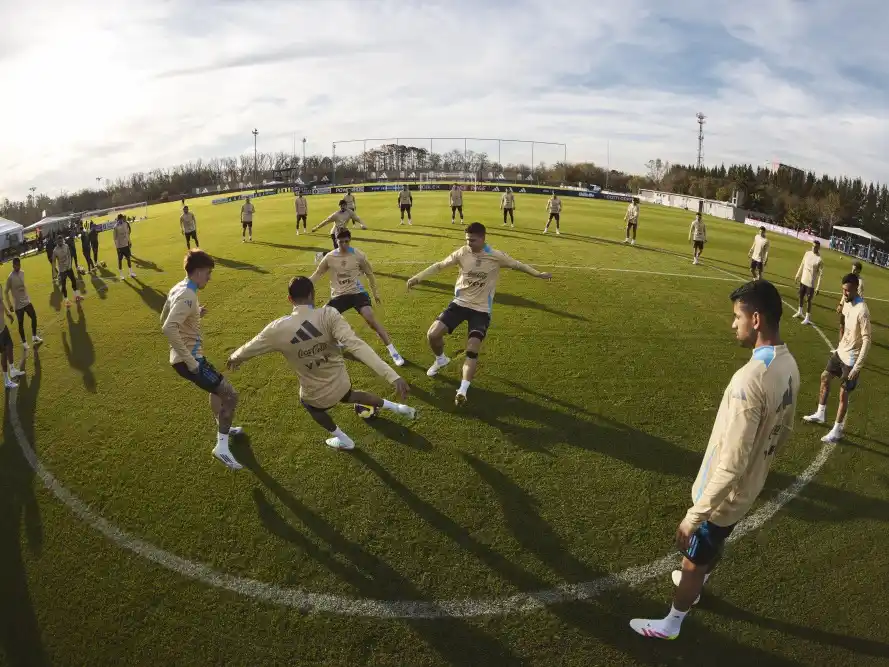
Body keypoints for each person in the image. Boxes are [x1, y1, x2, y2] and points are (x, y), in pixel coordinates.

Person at [630, 280, 799, 640]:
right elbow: (786, 430)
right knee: (714, 545)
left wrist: (695, 515)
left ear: (755, 319)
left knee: (693, 559)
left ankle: (672, 622)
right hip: (748, 490)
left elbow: (732, 463)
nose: (732, 324)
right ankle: (700, 579)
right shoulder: (790, 365)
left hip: (724, 497)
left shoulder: (749, 381)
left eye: (736, 316)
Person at [226, 276, 415, 451]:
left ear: (289, 299)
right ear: (312, 294)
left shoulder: (276, 329)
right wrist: (393, 376)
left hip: (315, 394)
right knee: (350, 395)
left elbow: (252, 346)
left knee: (309, 405)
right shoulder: (329, 315)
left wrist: (235, 357)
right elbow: (357, 346)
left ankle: (343, 439)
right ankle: (398, 408)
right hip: (341, 383)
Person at [407, 222, 552, 405]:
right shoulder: (462, 252)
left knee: (472, 350)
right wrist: (417, 277)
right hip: (459, 304)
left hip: (481, 310)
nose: (469, 243)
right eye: (467, 239)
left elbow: (518, 265)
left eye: (473, 240)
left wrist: (537, 274)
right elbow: (439, 266)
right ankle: (441, 359)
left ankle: (463, 390)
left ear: (483, 239)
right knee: (432, 335)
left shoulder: (495, 256)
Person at [161, 250, 242, 470]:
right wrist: (192, 362)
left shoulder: (180, 287)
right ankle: (222, 447)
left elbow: (164, 315)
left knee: (216, 389)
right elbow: (168, 326)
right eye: (207, 273)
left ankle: (222, 425)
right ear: (197, 272)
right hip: (190, 360)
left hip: (185, 357)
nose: (209, 277)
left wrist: (196, 312)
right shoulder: (188, 295)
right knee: (231, 396)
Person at [309, 228, 404, 367]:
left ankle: (393, 351)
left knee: (371, 319)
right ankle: (337, 343)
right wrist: (304, 285)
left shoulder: (359, 255)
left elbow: (369, 274)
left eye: (346, 241)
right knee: (323, 318)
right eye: (340, 242)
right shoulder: (329, 257)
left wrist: (375, 293)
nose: (344, 245)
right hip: (339, 295)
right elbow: (318, 274)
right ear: (336, 241)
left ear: (350, 240)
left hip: (357, 293)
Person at [803, 273, 871, 443]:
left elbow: (867, 340)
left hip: (851, 360)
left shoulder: (862, 311)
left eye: (847, 291)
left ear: (856, 289)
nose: (844, 293)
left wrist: (857, 367)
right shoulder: (847, 302)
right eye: (843, 290)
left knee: (843, 395)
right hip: (840, 352)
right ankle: (820, 413)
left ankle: (837, 430)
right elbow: (843, 320)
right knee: (825, 377)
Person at [5, 257, 42, 350]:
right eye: (16, 265)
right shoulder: (10, 277)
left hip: (26, 301)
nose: (18, 266)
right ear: (13, 265)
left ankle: (34, 336)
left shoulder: (22, 273)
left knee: (34, 317)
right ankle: (24, 342)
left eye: (19, 264)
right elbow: (6, 291)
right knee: (21, 323)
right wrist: (9, 305)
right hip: (18, 305)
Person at [0, 286, 26, 388]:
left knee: (10, 346)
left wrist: (7, 313)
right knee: (4, 354)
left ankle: (12, 370)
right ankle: (6, 380)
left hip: (3, 327)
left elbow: (0, 301)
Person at [793, 240, 823, 325]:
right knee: (801, 296)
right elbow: (802, 264)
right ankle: (800, 311)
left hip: (811, 283)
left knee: (808, 300)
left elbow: (821, 275)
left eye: (816, 246)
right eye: (813, 246)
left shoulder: (819, 259)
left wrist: (818, 287)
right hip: (803, 280)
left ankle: (807, 318)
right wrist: (797, 275)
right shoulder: (807, 254)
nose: (814, 247)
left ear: (818, 248)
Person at [53, 235, 83, 307]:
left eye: (61, 240)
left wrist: (69, 264)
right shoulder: (55, 250)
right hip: (62, 270)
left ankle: (77, 296)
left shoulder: (66, 246)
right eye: (59, 241)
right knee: (63, 285)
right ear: (57, 241)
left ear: (63, 240)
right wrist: (55, 271)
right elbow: (53, 261)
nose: (60, 242)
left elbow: (69, 255)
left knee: (73, 281)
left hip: (69, 268)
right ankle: (66, 301)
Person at [113, 214, 136, 279]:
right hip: (120, 246)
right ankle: (121, 275)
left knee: (128, 258)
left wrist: (129, 241)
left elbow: (127, 234)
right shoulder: (115, 227)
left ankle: (131, 272)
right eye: (121, 218)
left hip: (125, 245)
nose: (122, 219)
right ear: (119, 219)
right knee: (120, 260)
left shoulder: (125, 224)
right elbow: (115, 238)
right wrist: (117, 247)